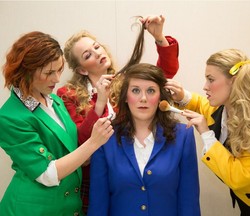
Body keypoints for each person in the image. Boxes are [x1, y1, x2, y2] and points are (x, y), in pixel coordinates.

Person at [56, 15, 179, 214]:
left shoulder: (127, 81)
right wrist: (101, 101)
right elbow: (80, 142)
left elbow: (164, 74)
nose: (97, 53)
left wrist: (159, 37)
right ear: (81, 70)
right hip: (94, 180)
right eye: (87, 55)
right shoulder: (68, 95)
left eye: (96, 47)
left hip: (131, 174)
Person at [0, 31, 114, 216]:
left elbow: (72, 148)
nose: (56, 78)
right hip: (33, 209)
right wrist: (94, 143)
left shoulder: (55, 100)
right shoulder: (9, 117)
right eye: (49, 73)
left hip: (68, 206)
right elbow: (47, 174)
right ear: (26, 72)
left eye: (59, 70)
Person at [165, 48, 250, 216]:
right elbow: (202, 104)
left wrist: (206, 134)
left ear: (234, 81)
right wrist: (182, 96)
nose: (205, 86)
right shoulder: (224, 106)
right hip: (246, 202)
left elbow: (238, 177)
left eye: (211, 80)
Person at [87, 63, 201, 216]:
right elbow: (98, 203)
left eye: (151, 91)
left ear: (160, 96)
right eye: (135, 91)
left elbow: (189, 201)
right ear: (125, 97)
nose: (143, 98)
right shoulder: (105, 136)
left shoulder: (183, 135)